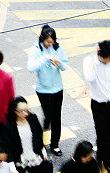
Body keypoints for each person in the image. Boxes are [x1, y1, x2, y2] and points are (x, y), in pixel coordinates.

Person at [82, 40, 110, 170]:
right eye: (107, 58)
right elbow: (90, 78)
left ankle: (108, 161)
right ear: (100, 55)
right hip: (98, 104)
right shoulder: (89, 62)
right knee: (101, 134)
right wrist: (94, 59)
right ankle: (101, 159)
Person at [28, 25, 68, 156]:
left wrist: (59, 63)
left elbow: (65, 65)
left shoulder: (58, 48)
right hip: (43, 89)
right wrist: (45, 58)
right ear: (42, 39)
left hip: (57, 88)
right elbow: (30, 68)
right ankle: (47, 119)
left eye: (52, 41)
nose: (50, 44)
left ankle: (55, 144)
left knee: (57, 117)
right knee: (49, 114)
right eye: (48, 41)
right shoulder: (35, 50)